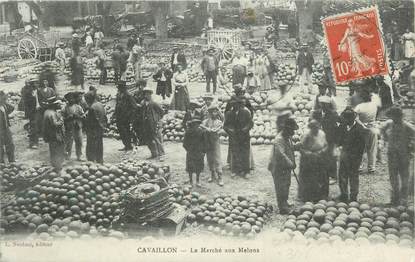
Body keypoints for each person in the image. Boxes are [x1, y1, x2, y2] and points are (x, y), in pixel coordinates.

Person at [380, 106, 415, 205]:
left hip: (404, 155)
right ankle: (395, 198)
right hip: (392, 154)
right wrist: (384, 138)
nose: (394, 119)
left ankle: (404, 198)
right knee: (393, 177)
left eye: (396, 117)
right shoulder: (389, 124)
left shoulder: (407, 126)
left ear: (400, 116)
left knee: (404, 176)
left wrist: (411, 146)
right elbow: (380, 129)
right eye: (392, 117)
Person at [268, 117, 298, 214]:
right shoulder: (279, 139)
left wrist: (297, 147)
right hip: (278, 167)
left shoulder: (287, 137)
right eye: (292, 130)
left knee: (286, 184)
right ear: (286, 129)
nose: (293, 132)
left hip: (285, 167)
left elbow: (289, 149)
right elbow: (281, 155)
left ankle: (285, 202)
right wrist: (290, 163)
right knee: (281, 186)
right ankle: (282, 207)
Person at [337, 107, 367, 202]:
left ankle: (353, 197)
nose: (346, 120)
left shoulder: (359, 129)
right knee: (342, 175)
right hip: (344, 154)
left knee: (353, 176)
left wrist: (358, 158)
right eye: (345, 118)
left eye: (348, 119)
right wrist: (340, 146)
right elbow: (339, 139)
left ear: (352, 119)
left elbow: (362, 146)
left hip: (355, 156)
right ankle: (344, 195)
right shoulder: (342, 126)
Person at [298, 119, 328, 202]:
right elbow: (300, 148)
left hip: (319, 156)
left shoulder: (322, 133)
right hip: (308, 158)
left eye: (317, 128)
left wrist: (321, 151)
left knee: (321, 177)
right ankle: (306, 196)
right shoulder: (306, 135)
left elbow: (326, 145)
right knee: (308, 178)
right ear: (310, 128)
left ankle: (321, 195)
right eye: (313, 128)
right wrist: (309, 154)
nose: (315, 129)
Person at [224, 97, 253, 178]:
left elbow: (250, 123)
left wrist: (246, 129)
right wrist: (230, 130)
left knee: (245, 153)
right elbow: (225, 126)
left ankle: (246, 171)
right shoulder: (229, 114)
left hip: (244, 137)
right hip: (234, 137)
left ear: (239, 104)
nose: (235, 106)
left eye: (236, 104)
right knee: (235, 153)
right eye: (233, 104)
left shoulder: (246, 112)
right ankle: (235, 171)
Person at [354, 88, 378, 173]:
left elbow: (355, 118)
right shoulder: (374, 105)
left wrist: (362, 125)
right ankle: (371, 168)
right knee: (372, 149)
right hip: (373, 128)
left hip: (362, 129)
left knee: (360, 149)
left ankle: (359, 166)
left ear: (362, 97)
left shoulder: (359, 107)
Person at [319, 96, 341, 184]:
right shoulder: (325, 114)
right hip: (326, 138)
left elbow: (338, 125)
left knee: (332, 158)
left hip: (332, 139)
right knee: (327, 157)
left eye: (323, 105)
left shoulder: (333, 114)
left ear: (327, 105)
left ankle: (334, 176)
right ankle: (329, 174)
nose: (322, 107)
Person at [201, 104, 224, 186]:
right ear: (209, 113)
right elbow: (201, 127)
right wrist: (206, 129)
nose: (214, 113)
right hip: (208, 142)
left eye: (215, 112)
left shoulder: (219, 122)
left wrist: (207, 129)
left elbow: (215, 130)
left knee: (217, 159)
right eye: (212, 112)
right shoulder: (206, 121)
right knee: (210, 158)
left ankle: (220, 176)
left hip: (215, 142)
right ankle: (213, 174)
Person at [140, 88, 165, 159]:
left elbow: (161, 111)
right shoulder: (143, 103)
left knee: (156, 138)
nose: (146, 96)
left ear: (150, 95)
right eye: (145, 94)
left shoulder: (154, 103)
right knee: (148, 139)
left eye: (148, 94)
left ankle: (161, 153)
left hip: (153, 123)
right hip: (145, 124)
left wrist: (157, 119)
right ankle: (153, 153)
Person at [43, 97, 65, 171]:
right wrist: (61, 120)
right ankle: (58, 166)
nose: (60, 105)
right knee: (57, 150)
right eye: (58, 104)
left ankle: (54, 164)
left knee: (53, 150)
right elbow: (55, 124)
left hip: (49, 135)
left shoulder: (47, 111)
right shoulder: (52, 114)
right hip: (55, 135)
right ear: (54, 105)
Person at [84, 91, 107, 164]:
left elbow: (90, 121)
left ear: (89, 99)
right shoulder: (100, 104)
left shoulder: (92, 107)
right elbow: (105, 117)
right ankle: (100, 160)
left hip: (93, 130)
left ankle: (92, 162)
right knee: (99, 145)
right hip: (100, 128)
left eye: (86, 99)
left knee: (91, 147)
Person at [183, 117, 206, 188]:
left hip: (199, 152)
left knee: (198, 167)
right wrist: (188, 150)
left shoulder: (202, 132)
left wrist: (203, 151)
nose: (196, 125)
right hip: (191, 152)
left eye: (198, 124)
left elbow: (205, 142)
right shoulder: (188, 132)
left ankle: (197, 181)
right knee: (190, 168)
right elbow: (185, 143)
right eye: (195, 124)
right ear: (192, 124)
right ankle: (190, 182)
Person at [114, 81, 137, 151]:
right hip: (119, 116)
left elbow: (134, 106)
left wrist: (129, 116)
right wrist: (115, 114)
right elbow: (117, 105)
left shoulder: (128, 95)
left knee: (126, 131)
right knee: (121, 131)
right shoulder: (118, 94)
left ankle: (128, 145)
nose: (119, 89)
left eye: (120, 87)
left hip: (125, 117)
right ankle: (126, 145)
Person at [62, 92, 85, 161]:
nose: (71, 100)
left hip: (77, 126)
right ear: (67, 100)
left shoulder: (78, 107)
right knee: (69, 142)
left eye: (72, 98)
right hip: (69, 127)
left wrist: (78, 116)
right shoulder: (64, 108)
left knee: (79, 142)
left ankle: (79, 155)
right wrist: (68, 117)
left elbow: (83, 116)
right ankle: (68, 155)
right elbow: (61, 118)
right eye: (69, 99)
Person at [21, 79, 38, 149]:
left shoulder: (31, 90)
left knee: (33, 127)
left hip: (33, 111)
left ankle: (34, 142)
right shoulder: (27, 91)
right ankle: (33, 143)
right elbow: (28, 100)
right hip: (31, 112)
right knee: (33, 127)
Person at [0, 91, 15, 164]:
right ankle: (1, 162)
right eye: (3, 98)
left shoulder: (4, 105)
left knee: (10, 144)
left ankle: (11, 160)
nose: (4, 99)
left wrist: (5, 102)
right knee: (0, 146)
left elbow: (12, 107)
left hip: (6, 128)